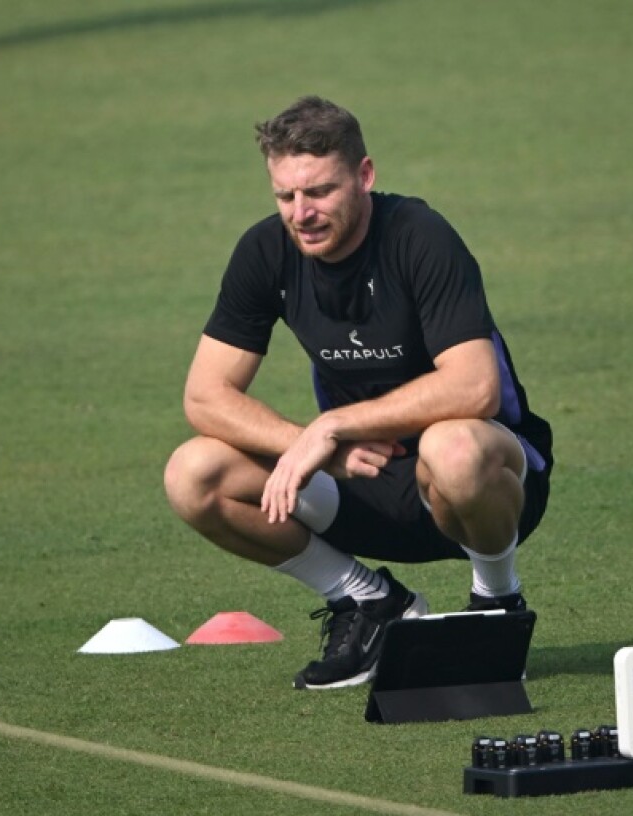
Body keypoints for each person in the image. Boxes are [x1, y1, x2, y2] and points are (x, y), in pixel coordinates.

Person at [164, 96, 553, 690]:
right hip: (363, 480)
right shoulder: (266, 252)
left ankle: (497, 603)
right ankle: (369, 604)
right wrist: (313, 442)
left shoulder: (418, 235)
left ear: (364, 176)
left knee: (451, 447)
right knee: (193, 473)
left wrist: (336, 425)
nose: (302, 213)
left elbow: (474, 385)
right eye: (286, 196)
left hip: (480, 485)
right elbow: (205, 396)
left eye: (319, 192)